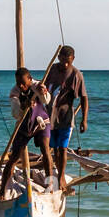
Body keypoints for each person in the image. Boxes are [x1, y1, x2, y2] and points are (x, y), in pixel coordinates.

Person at [0, 67, 54, 197]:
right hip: (24, 126)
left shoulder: (38, 85)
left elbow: (47, 100)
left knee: (45, 151)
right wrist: (23, 106)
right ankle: (1, 192)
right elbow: (16, 113)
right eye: (18, 83)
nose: (21, 86)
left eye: (23, 83)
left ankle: (51, 186)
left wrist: (42, 92)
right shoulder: (14, 92)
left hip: (41, 123)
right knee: (14, 157)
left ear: (30, 79)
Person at [43, 45, 88, 187]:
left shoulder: (76, 75)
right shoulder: (52, 70)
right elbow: (43, 86)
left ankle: (61, 176)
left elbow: (84, 98)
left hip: (66, 116)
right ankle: (55, 174)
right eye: (63, 60)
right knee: (54, 148)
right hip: (50, 115)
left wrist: (84, 120)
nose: (65, 64)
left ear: (73, 59)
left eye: (68, 61)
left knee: (62, 148)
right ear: (58, 58)